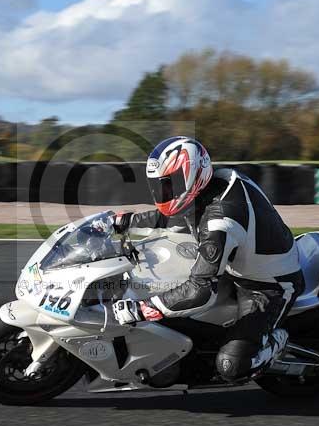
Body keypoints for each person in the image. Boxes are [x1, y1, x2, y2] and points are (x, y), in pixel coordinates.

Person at [111, 136, 305, 382]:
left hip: (268, 285)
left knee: (232, 366)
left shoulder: (220, 221)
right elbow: (180, 216)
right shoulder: (216, 180)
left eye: (170, 184)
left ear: (192, 174)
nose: (164, 193)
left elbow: (199, 292)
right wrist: (127, 222)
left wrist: (142, 309)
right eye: (160, 186)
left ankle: (276, 340)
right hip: (240, 261)